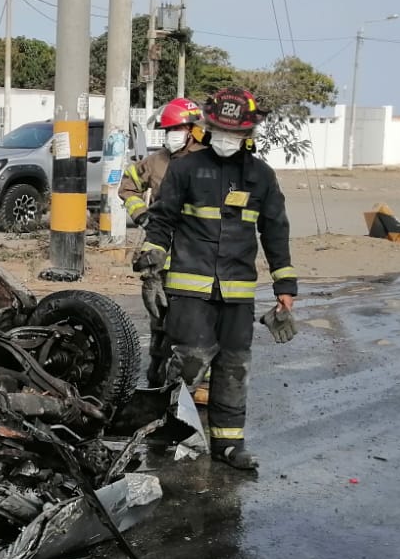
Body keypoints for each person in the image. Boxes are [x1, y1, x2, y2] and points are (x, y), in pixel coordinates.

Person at [137, 87, 297, 471]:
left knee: (234, 367)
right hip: (190, 288)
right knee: (189, 361)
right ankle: (165, 433)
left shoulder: (260, 176)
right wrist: (151, 265)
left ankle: (228, 445)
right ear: (207, 128)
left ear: (248, 134)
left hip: (238, 292)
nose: (227, 138)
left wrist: (285, 287)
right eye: (220, 129)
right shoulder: (186, 169)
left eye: (235, 132)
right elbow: (162, 220)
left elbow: (275, 232)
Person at [119, 98, 206, 386]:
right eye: (168, 129)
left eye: (177, 128)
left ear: (192, 130)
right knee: (160, 321)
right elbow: (128, 186)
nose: (172, 134)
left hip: (198, 257)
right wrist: (141, 214)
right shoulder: (155, 162)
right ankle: (157, 378)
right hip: (159, 253)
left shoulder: (210, 163)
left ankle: (196, 383)